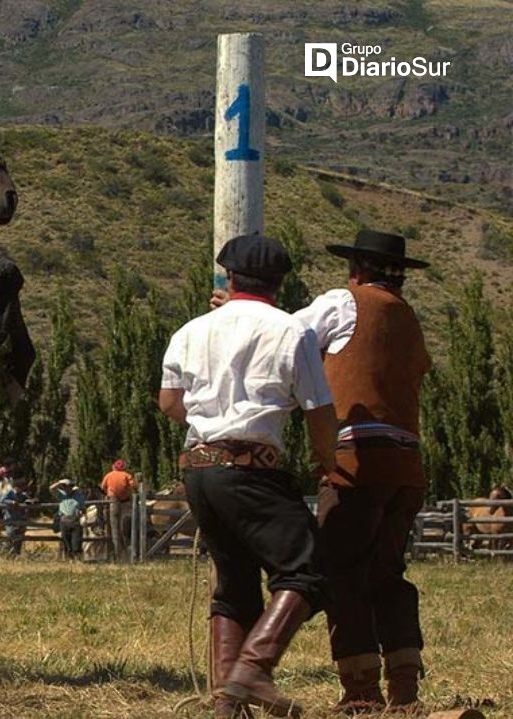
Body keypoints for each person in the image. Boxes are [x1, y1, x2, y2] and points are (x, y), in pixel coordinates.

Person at [159, 234, 337, 718]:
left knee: (234, 583)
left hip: (199, 470)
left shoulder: (190, 331)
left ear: (229, 278)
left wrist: (212, 418)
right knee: (307, 570)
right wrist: (328, 459)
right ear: (281, 282)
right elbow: (319, 410)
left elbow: (170, 404)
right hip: (249, 468)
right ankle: (254, 669)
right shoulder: (291, 332)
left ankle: (226, 703)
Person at [293, 230, 433, 711]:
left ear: (357, 269)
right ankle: (405, 686)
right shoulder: (407, 318)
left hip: (357, 462)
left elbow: (286, 339)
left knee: (342, 572)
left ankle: (361, 689)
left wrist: (239, 314)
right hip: (406, 466)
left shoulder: (342, 303)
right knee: (388, 572)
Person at [100, 458, 137, 561]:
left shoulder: (109, 475)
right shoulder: (127, 475)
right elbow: (134, 486)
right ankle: (126, 552)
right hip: (125, 501)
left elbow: (102, 487)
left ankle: (117, 552)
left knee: (114, 527)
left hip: (113, 500)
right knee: (124, 526)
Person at [49, 479, 86, 560]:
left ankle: (77, 559)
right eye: (64, 487)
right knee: (67, 542)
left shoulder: (78, 496)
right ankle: (69, 559)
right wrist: (59, 483)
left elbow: (83, 508)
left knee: (76, 541)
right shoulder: (61, 495)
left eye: (68, 487)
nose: (66, 489)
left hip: (75, 520)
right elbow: (51, 488)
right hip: (64, 520)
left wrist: (81, 515)